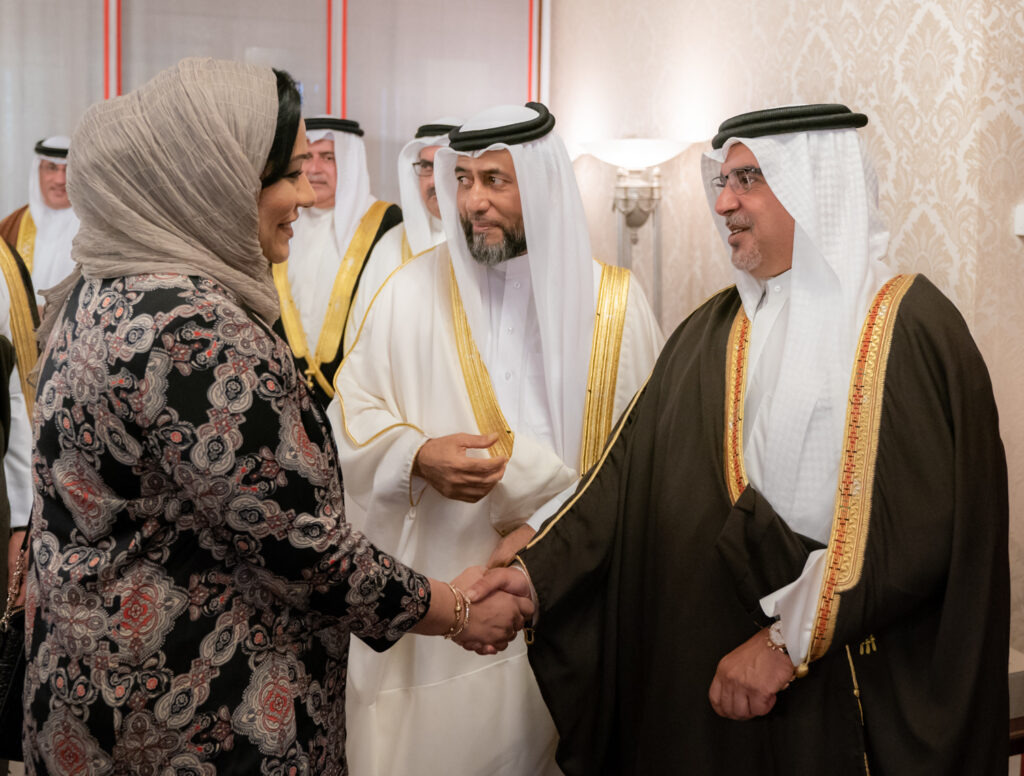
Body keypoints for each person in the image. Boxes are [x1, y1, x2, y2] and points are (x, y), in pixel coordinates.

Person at [21, 58, 531, 775]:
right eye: (286, 175)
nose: (305, 195)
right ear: (218, 179)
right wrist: (455, 609)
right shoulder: (195, 330)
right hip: (195, 717)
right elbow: (298, 544)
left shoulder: (105, 286)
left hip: (91, 695)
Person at [470, 104, 1009, 774]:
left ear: (816, 185)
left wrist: (786, 642)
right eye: (722, 181)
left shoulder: (907, 324)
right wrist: (536, 576)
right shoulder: (712, 329)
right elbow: (624, 474)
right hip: (716, 694)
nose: (723, 202)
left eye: (748, 179)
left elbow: (922, 529)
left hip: (850, 691)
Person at [330, 102, 664, 776]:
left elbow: (643, 459)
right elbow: (348, 416)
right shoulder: (407, 292)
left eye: (494, 181)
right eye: (463, 180)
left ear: (539, 187)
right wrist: (416, 457)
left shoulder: (618, 308)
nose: (472, 201)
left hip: (569, 600)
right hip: (443, 615)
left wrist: (545, 531)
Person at [272, 116, 403, 408]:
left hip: (359, 400)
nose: (314, 169)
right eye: (306, 157)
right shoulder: (278, 221)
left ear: (349, 161)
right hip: (285, 397)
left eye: (328, 157)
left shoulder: (386, 222)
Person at [341, 118, 461, 345]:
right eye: (426, 167)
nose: (433, 180)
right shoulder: (390, 245)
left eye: (445, 166)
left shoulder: (484, 246)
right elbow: (361, 336)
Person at [0, 137, 80, 306]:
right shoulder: (10, 227)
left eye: (68, 169)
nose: (60, 180)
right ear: (38, 171)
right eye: (51, 168)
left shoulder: (95, 229)